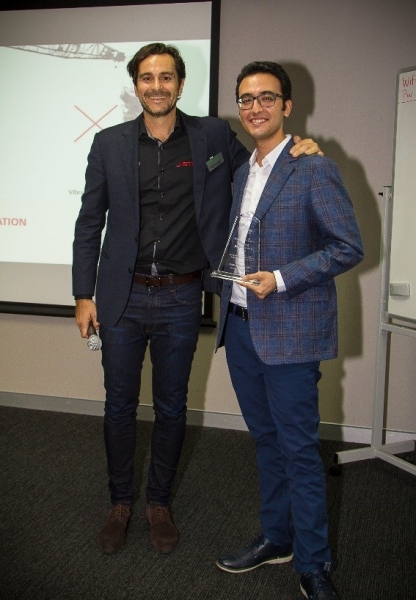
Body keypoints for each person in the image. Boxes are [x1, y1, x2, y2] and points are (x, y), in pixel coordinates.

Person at [72, 43, 322, 556]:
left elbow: (262, 162)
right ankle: (120, 503)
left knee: (171, 406)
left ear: (181, 85)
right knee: (118, 405)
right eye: (147, 78)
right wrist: (82, 293)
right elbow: (89, 222)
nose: (157, 86)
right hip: (122, 296)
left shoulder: (211, 136)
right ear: (135, 85)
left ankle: (158, 503)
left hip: (184, 296)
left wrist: (303, 148)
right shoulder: (109, 144)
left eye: (167, 77)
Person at [214, 62, 364, 599]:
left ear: (286, 106)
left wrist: (279, 279)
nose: (255, 107)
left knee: (299, 450)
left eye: (266, 98)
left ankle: (314, 562)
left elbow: (348, 246)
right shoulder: (241, 171)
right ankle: (277, 537)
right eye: (246, 98)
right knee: (266, 443)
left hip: (290, 333)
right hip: (240, 328)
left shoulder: (311, 168)